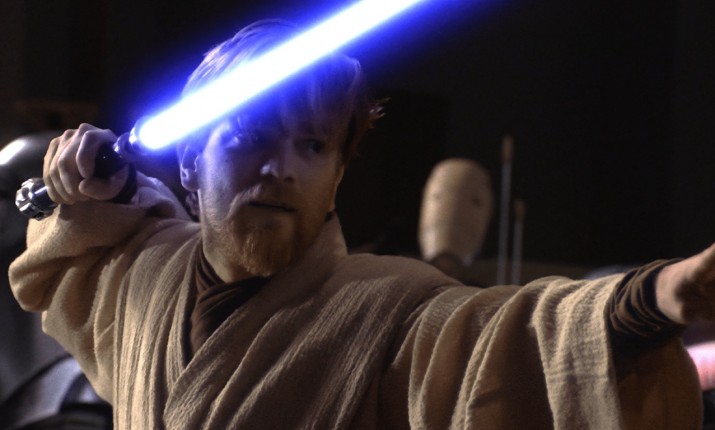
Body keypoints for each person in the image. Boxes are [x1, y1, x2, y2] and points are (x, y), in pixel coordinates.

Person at [8, 19, 713, 429]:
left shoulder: (389, 307)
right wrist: (92, 188)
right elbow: (71, 261)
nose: (282, 168)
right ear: (190, 161)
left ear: (338, 177)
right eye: (250, 136)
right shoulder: (145, 276)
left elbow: (507, 340)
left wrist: (656, 297)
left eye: (312, 145)